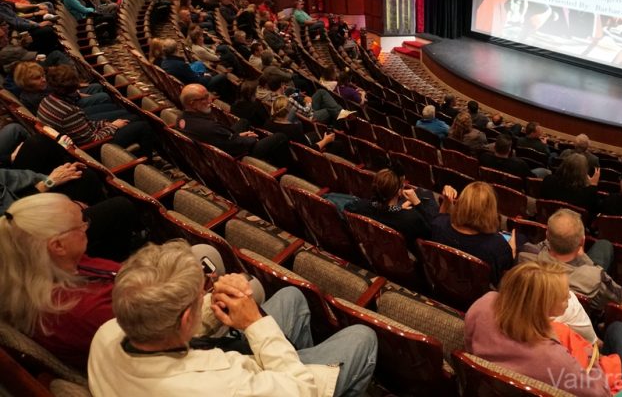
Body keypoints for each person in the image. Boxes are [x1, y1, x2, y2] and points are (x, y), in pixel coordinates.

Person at [88, 240, 378, 397]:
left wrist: (213, 306)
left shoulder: (108, 332)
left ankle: (302, 355)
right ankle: (304, 360)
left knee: (292, 297)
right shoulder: (223, 388)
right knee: (361, 338)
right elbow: (302, 390)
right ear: (186, 316)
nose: (208, 285)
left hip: (238, 364)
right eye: (202, 288)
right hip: (293, 385)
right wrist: (255, 323)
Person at [0, 193, 143, 369]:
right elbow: (159, 329)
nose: (86, 227)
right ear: (58, 245)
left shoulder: (41, 267)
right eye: (82, 224)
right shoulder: (86, 310)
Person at [466, 262, 612, 397]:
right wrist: (593, 361)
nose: (569, 296)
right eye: (564, 296)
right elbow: (600, 394)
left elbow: (469, 346)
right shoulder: (553, 357)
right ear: (544, 306)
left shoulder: (483, 305)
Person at [36, 65, 154, 158]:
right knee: (143, 126)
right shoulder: (69, 111)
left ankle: (137, 154)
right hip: (93, 149)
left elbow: (83, 125)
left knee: (132, 117)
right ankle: (147, 163)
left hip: (76, 138)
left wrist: (103, 124)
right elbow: (93, 140)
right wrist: (113, 126)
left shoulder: (47, 100)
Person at [517, 209, 622, 309]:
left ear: (547, 235)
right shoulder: (594, 281)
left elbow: (539, 248)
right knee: (604, 245)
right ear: (582, 242)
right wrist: (585, 259)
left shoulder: (525, 257)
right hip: (584, 280)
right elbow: (618, 297)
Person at [177, 83, 290, 167]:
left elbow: (222, 136)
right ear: (192, 104)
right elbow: (234, 144)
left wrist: (237, 136)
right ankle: (288, 167)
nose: (210, 100)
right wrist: (250, 139)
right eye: (205, 98)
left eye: (208, 95)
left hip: (224, 141)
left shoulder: (181, 119)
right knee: (280, 137)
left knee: (244, 121)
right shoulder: (209, 128)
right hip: (236, 153)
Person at [431, 181, 513, 284]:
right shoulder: (498, 246)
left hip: (442, 285)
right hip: (479, 297)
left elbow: (440, 219)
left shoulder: (438, 225)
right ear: (491, 210)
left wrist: (446, 201)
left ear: (461, 202)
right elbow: (504, 278)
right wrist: (512, 252)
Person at [345, 166, 443, 249]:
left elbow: (347, 207)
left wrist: (399, 208)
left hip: (375, 246)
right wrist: (417, 203)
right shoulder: (411, 218)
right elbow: (431, 234)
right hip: (406, 251)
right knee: (426, 195)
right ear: (399, 191)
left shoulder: (360, 206)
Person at [264, 96, 337, 154]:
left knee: (314, 135)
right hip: (302, 158)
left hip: (282, 153)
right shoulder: (293, 129)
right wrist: (325, 140)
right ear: (289, 110)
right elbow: (309, 150)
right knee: (338, 145)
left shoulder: (268, 123)